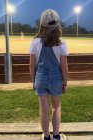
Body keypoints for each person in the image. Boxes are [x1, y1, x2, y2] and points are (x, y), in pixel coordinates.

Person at [30, 9, 68, 140]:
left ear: (42, 25)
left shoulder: (35, 42)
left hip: (40, 78)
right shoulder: (61, 43)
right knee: (56, 107)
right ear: (57, 25)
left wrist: (33, 81)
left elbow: (31, 65)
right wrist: (65, 82)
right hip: (56, 79)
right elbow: (64, 67)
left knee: (44, 110)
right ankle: (56, 136)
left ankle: (46, 137)